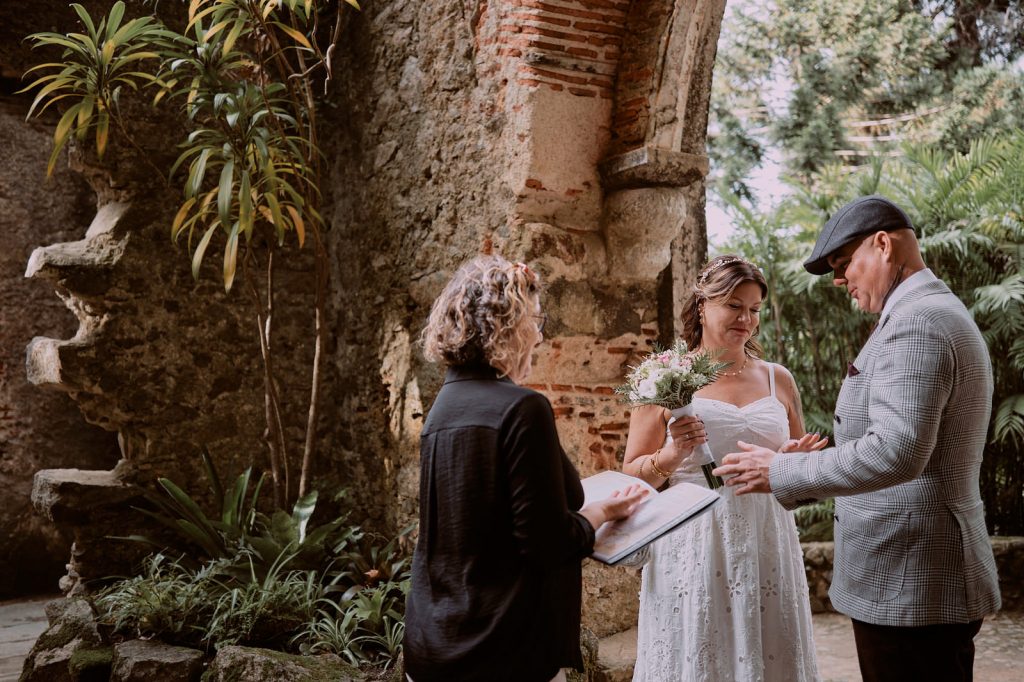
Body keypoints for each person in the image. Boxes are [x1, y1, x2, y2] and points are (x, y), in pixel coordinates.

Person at [714, 195, 1002, 682]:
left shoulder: (917, 325)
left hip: (911, 583)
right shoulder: (928, 311)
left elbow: (896, 451)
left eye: (844, 265)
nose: (839, 281)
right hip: (912, 576)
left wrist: (780, 471)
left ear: (884, 245)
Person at [403, 255, 646, 682]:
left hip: (435, 642)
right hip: (503, 648)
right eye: (535, 320)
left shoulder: (443, 407)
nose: (539, 334)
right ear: (507, 326)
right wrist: (601, 513)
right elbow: (546, 543)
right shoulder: (522, 408)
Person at [623, 255, 826, 682]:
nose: (746, 320)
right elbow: (632, 476)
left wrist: (792, 457)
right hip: (694, 537)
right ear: (702, 306)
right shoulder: (662, 377)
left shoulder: (778, 379)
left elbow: (797, 464)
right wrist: (672, 455)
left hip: (766, 535)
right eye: (734, 305)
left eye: (754, 310)